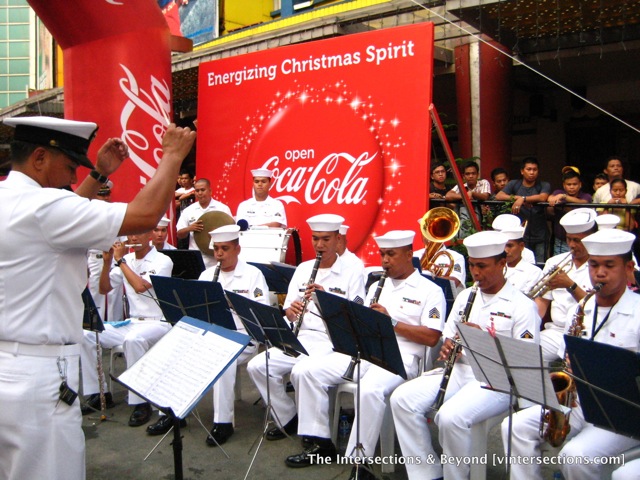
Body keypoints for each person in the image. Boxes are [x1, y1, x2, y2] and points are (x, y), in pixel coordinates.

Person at [0, 116, 195, 480]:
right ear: (40, 158)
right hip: (37, 375)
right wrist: (172, 156)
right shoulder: (44, 208)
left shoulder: (13, 200)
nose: (75, 177)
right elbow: (145, 215)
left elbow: (61, 214)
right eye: (71, 166)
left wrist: (100, 174)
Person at [285, 230, 445, 478]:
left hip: (400, 358)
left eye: (391, 254)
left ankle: (362, 465)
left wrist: (391, 323)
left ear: (409, 254)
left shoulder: (429, 290)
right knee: (307, 371)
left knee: (369, 389)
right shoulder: (376, 287)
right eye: (382, 254)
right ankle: (320, 441)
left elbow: (432, 337)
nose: (385, 260)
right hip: (365, 351)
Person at [390, 230, 540, 480]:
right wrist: (450, 346)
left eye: (482, 266)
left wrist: (482, 339)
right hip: (459, 370)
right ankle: (426, 472)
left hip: (496, 379)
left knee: (449, 417)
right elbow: (448, 336)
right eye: (472, 266)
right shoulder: (466, 298)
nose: (476, 273)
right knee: (402, 399)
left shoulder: (522, 305)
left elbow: (525, 362)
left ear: (502, 264)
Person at [501, 228, 640, 480]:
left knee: (575, 455)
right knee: (515, 425)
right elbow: (567, 358)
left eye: (610, 266)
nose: (599, 272)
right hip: (579, 403)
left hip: (622, 413)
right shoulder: (582, 307)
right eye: (594, 264)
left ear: (629, 268)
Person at [246, 214, 365, 444]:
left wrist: (325, 299)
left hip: (331, 342)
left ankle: (315, 434)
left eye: (326, 239)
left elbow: (356, 318)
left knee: (303, 371)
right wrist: (291, 312)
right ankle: (288, 415)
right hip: (301, 336)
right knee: (258, 366)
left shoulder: (352, 271)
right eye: (315, 239)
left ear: (337, 239)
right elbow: (290, 309)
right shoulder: (303, 268)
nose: (319, 245)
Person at [80, 231, 174, 426]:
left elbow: (141, 287)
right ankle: (100, 392)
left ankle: (141, 402)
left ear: (149, 235)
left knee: (133, 340)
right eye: (130, 235)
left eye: (138, 234)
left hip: (158, 322)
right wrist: (107, 263)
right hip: (132, 322)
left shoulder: (162, 260)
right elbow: (104, 289)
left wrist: (120, 261)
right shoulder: (126, 259)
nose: (133, 239)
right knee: (87, 334)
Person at [535, 208, 597, 362]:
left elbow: (597, 307)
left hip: (588, 333)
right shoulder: (554, 262)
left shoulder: (600, 266)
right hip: (556, 331)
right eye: (569, 239)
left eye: (577, 240)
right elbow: (542, 301)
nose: (572, 245)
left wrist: (570, 285)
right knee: (525, 352)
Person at [495, 157, 551, 263]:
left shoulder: (544, 185)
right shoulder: (514, 184)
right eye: (529, 169)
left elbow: (542, 197)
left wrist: (523, 199)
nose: (532, 172)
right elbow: (499, 195)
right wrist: (517, 198)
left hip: (540, 233)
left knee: (540, 264)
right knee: (522, 263)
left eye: (535, 170)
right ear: (522, 171)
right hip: (521, 235)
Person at [87, 180, 124, 323]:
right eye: (101, 195)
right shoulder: (89, 213)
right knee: (96, 294)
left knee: (115, 294)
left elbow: (123, 240)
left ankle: (115, 323)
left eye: (107, 194)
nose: (105, 198)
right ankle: (96, 326)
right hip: (96, 257)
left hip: (115, 258)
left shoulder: (116, 212)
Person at [176, 178, 232, 268]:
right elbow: (179, 234)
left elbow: (232, 233)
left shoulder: (222, 208)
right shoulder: (188, 210)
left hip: (216, 258)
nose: (200, 193)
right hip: (195, 258)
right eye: (197, 190)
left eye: (203, 190)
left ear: (210, 191)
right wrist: (189, 228)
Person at [547, 167, 592, 254]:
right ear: (564, 185)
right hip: (561, 240)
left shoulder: (586, 196)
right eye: (569, 184)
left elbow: (583, 202)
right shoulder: (558, 192)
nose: (572, 187)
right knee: (560, 265)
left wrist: (564, 197)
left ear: (580, 184)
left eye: (574, 184)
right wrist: (552, 198)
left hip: (580, 240)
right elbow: (550, 198)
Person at [445, 160, 491, 237]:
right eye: (468, 174)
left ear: (478, 174)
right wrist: (465, 196)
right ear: (463, 176)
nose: (471, 176)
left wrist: (472, 193)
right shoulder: (462, 186)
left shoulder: (484, 182)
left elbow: (485, 196)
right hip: (465, 217)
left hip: (484, 218)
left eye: (473, 173)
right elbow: (448, 196)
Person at [501, 226, 544, 294]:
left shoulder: (534, 272)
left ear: (521, 246)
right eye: (503, 246)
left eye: (510, 246)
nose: (506, 250)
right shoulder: (496, 269)